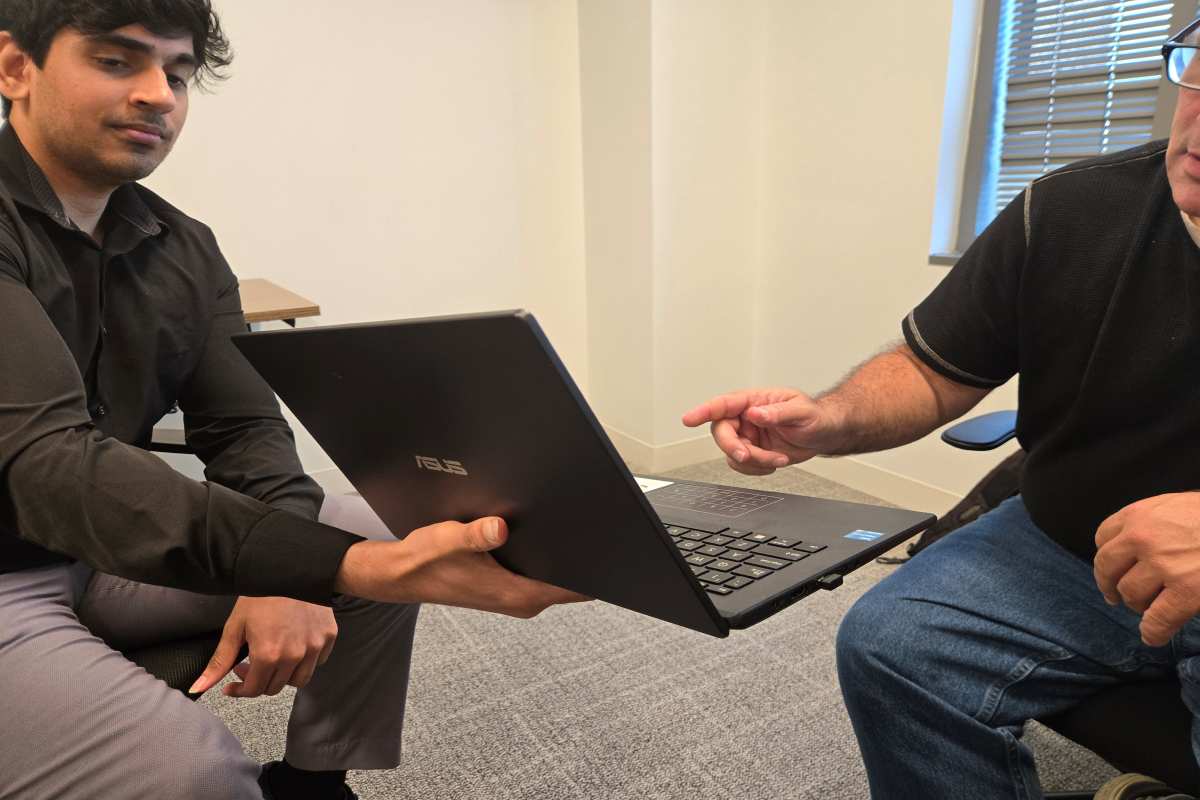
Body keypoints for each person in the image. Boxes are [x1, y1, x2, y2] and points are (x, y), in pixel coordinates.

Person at [0, 3, 585, 799]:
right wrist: (322, 564)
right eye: (116, 61)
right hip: (11, 570)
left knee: (390, 529)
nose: (159, 95)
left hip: (105, 556)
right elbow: (47, 462)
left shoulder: (185, 247)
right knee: (194, 776)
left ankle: (314, 781)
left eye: (177, 74)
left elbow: (245, 427)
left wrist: (285, 572)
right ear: (16, 68)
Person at [682, 17, 1200, 800]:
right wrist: (828, 419)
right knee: (890, 643)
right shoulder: (1069, 210)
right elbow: (932, 372)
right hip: (1065, 546)